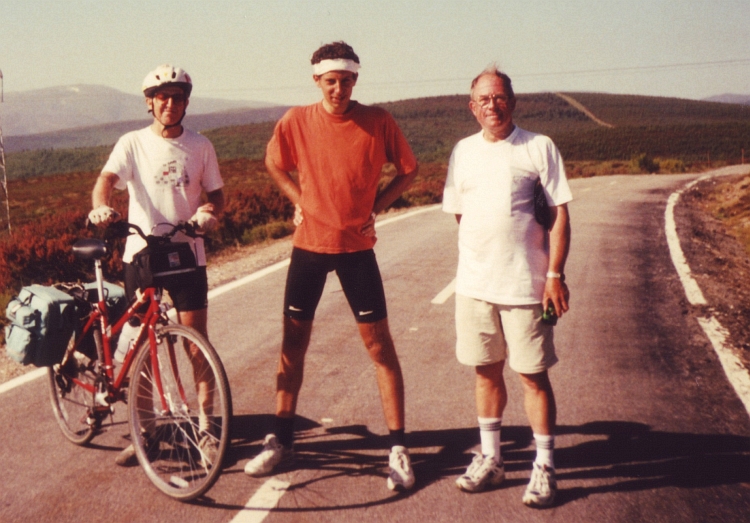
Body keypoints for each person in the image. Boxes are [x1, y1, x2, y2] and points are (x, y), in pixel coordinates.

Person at [243, 41, 419, 491]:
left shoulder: (377, 120)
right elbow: (273, 163)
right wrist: (302, 201)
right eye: (329, 82)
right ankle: (281, 440)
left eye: (345, 81)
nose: (338, 89)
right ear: (316, 81)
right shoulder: (296, 120)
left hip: (357, 250)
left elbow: (408, 170)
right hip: (309, 248)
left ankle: (398, 447)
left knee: (379, 346)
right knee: (293, 344)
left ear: (355, 80)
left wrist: (376, 206)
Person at [442, 65, 572, 507]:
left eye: (499, 98)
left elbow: (559, 215)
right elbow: (463, 213)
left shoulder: (539, 147)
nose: (492, 106)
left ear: (512, 103)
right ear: (472, 106)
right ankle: (492, 460)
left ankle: (545, 467)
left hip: (526, 287)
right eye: (483, 100)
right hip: (475, 286)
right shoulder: (462, 151)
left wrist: (554, 275)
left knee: (532, 376)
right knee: (485, 371)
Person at [88, 64, 225, 466]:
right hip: (141, 255)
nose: (170, 103)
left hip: (187, 253)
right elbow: (106, 180)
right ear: (150, 103)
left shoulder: (200, 146)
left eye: (177, 97)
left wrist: (209, 213)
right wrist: (100, 206)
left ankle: (207, 428)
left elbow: (217, 195)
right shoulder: (132, 143)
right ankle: (146, 431)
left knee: (196, 342)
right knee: (143, 345)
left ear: (185, 102)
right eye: (162, 97)